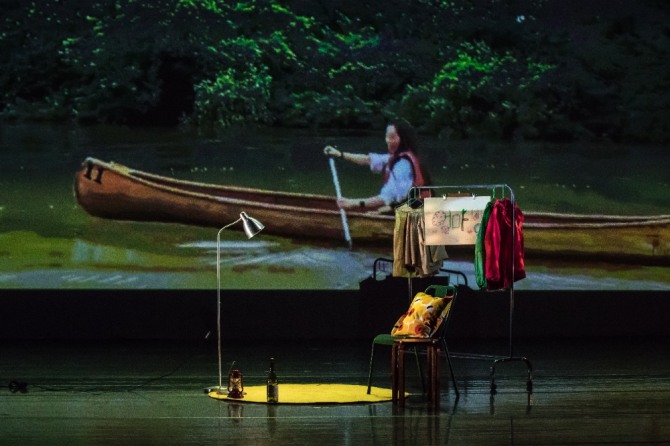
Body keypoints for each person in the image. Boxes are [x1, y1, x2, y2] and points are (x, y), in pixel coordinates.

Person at [323, 119, 430, 213]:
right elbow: (368, 159)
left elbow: (386, 198)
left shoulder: (403, 164)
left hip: (415, 213)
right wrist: (340, 154)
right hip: (403, 207)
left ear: (403, 140)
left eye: (392, 137)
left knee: (380, 210)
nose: (388, 141)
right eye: (387, 137)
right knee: (380, 210)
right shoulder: (397, 157)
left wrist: (353, 203)